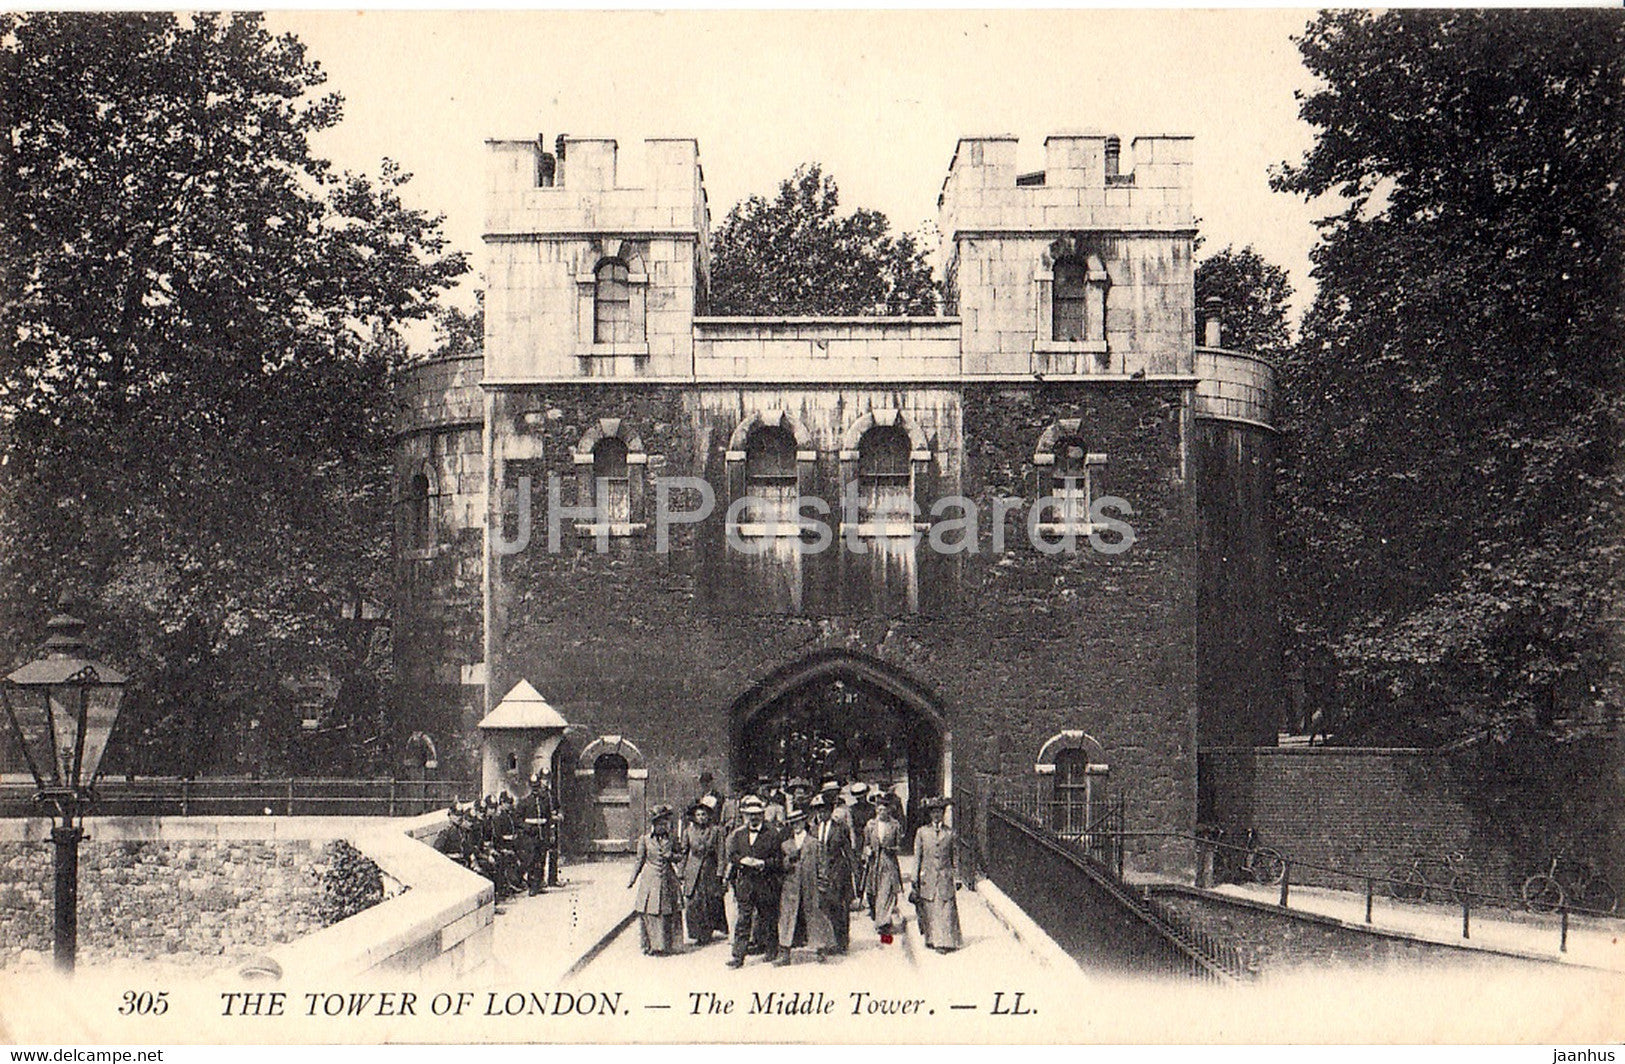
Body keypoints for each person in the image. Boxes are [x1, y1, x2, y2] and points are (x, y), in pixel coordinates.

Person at [723, 794, 782, 968]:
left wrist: (763, 863)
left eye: (757, 814)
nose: (753, 817)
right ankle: (738, 956)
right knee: (743, 919)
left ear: (762, 814)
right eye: (750, 814)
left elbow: (778, 860)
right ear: (745, 815)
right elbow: (732, 855)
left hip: (766, 882)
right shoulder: (739, 834)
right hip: (746, 883)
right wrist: (741, 860)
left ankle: (772, 950)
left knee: (768, 917)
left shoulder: (772, 833)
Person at [775, 805, 836, 965]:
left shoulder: (814, 843)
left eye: (799, 822)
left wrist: (822, 884)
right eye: (793, 823)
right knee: (788, 916)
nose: (796, 825)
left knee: (815, 914)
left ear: (804, 822)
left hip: (811, 884)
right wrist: (789, 860)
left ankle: (821, 949)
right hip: (791, 886)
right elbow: (781, 867)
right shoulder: (786, 845)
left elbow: (822, 865)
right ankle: (785, 952)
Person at [627, 805, 683, 956]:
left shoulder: (672, 839)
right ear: (653, 825)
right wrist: (632, 879)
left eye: (664, 823)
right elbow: (639, 860)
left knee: (668, 912)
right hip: (650, 879)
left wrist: (672, 856)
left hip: (668, 878)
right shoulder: (644, 840)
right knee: (650, 912)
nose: (662, 826)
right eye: (659, 824)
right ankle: (651, 945)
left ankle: (668, 945)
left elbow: (681, 856)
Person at [912, 796, 963, 953]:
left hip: (945, 877)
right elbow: (917, 856)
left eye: (939, 812)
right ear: (929, 815)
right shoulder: (922, 832)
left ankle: (945, 942)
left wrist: (957, 877)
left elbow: (955, 856)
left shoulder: (950, 833)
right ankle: (931, 938)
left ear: (943, 814)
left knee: (946, 910)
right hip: (928, 877)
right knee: (930, 909)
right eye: (933, 812)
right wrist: (915, 877)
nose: (936, 815)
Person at [678, 795, 728, 944]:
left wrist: (720, 873)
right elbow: (684, 852)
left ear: (708, 816)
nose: (701, 817)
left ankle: (707, 933)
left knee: (709, 902)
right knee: (693, 902)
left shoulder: (716, 831)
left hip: (710, 871)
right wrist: (681, 871)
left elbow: (721, 853)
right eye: (698, 815)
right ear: (694, 817)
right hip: (692, 871)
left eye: (704, 814)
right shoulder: (688, 831)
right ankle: (696, 933)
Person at [811, 793, 854, 953]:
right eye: (819, 811)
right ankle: (826, 942)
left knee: (839, 908)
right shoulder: (814, 829)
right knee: (823, 908)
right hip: (820, 873)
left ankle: (841, 942)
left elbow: (848, 850)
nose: (821, 814)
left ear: (830, 811)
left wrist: (855, 872)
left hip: (838, 872)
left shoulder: (840, 828)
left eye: (824, 811)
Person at [864, 790, 906, 942]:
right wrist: (867, 851)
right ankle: (881, 919)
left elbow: (899, 847)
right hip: (874, 863)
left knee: (886, 891)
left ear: (889, 810)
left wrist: (891, 849)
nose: (882, 812)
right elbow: (866, 844)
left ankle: (884, 923)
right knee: (874, 891)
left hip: (888, 863)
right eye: (879, 809)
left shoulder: (895, 825)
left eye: (884, 809)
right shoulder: (870, 825)